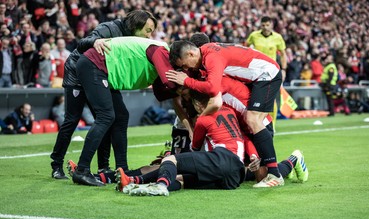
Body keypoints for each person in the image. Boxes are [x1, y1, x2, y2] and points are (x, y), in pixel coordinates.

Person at [49, 10, 158, 180]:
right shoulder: (110, 28)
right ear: (136, 26)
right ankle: (56, 164)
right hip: (77, 73)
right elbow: (81, 43)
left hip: (103, 74)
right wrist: (96, 41)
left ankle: (107, 167)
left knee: (116, 116)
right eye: (147, 30)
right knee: (72, 119)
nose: (149, 36)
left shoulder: (134, 40)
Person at [166, 40, 284, 187]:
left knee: (253, 119)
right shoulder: (207, 53)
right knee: (254, 172)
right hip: (250, 107)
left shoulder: (212, 60)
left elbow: (212, 89)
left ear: (191, 53)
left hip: (267, 73)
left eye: (184, 65)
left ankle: (277, 172)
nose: (186, 69)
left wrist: (187, 81)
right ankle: (287, 164)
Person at [71, 35, 176, 186]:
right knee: (106, 116)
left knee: (121, 116)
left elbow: (161, 93)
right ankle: (82, 170)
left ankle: (122, 169)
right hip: (95, 64)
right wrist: (186, 84)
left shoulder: (161, 58)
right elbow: (169, 83)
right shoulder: (161, 51)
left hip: (101, 68)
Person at [121, 92, 257, 196]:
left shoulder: (203, 119)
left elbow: (195, 148)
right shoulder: (230, 111)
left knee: (170, 160)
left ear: (198, 104)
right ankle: (134, 182)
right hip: (235, 176)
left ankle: (160, 186)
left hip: (221, 158)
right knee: (181, 180)